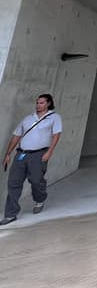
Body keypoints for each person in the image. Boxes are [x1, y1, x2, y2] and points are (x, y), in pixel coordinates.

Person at [1, 93, 62, 225]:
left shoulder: (54, 117)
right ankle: (10, 214)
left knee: (35, 180)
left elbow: (57, 135)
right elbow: (16, 136)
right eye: (37, 103)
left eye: (41, 103)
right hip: (21, 154)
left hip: (39, 154)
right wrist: (8, 154)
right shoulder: (28, 119)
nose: (38, 105)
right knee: (13, 183)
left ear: (48, 104)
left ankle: (40, 199)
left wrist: (50, 151)